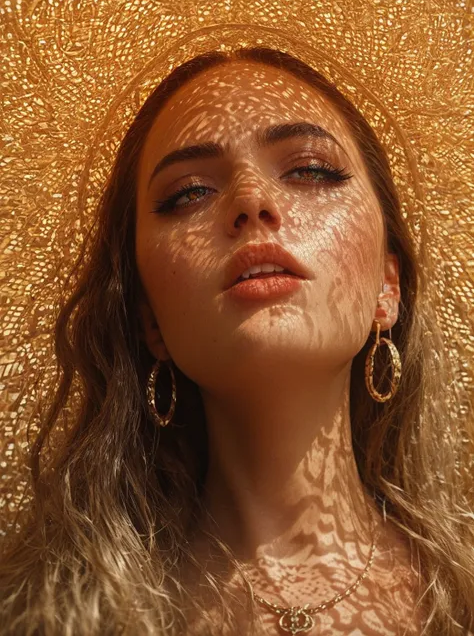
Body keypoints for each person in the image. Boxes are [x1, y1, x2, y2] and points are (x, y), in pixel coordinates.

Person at [1, 46, 473, 636]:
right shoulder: (50, 618)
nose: (252, 201)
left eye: (310, 170)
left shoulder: (461, 596)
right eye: (189, 192)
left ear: (387, 284)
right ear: (150, 320)